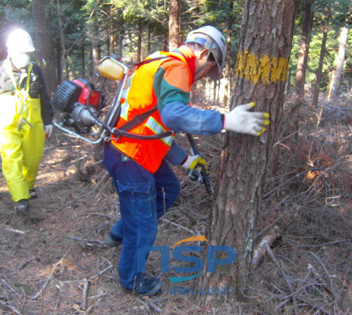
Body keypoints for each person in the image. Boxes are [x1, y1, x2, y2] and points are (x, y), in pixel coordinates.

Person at [102, 25, 270, 296]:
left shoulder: (160, 62)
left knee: (169, 189)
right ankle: (131, 278)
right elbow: (173, 116)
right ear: (204, 53)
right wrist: (226, 121)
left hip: (136, 151)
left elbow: (153, 129)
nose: (203, 77)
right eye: (208, 69)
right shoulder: (177, 67)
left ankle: (123, 229)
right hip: (129, 158)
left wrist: (185, 161)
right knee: (145, 227)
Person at [0, 28, 53, 213]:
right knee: (11, 159)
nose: (25, 56)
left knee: (33, 158)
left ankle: (27, 186)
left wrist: (48, 120)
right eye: (21, 52)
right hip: (5, 124)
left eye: (27, 52)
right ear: (10, 50)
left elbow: (44, 96)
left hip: (32, 122)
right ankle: (20, 198)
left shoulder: (35, 70)